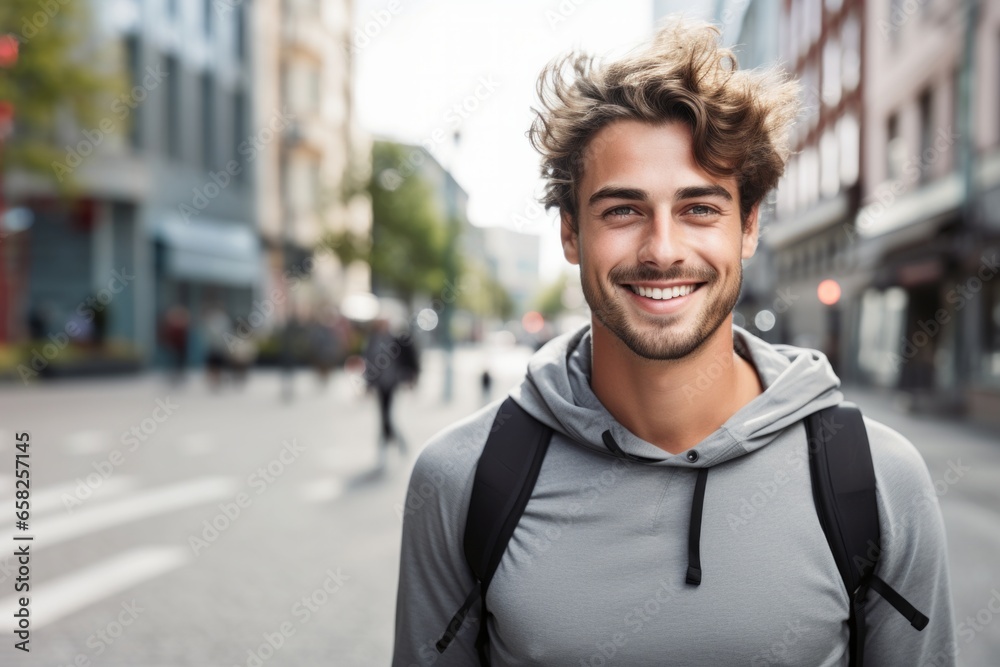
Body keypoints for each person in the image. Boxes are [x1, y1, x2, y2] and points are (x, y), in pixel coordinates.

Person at [392, 17, 955, 666]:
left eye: (699, 209)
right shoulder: (461, 482)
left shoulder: (878, 481)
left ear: (748, 227)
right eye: (623, 209)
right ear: (570, 233)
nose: (662, 250)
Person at [364, 317, 420, 466]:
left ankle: (391, 442)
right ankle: (393, 442)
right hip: (379, 383)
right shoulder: (373, 340)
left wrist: (411, 379)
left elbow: (409, 359)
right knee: (384, 414)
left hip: (392, 381)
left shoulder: (397, 339)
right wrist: (368, 383)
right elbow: (369, 361)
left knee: (386, 415)